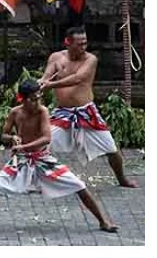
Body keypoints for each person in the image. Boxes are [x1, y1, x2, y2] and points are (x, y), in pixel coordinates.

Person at [0, 79, 118, 234]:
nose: (37, 103)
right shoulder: (15, 112)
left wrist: (22, 146)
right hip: (21, 161)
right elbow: (3, 135)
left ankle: (103, 220)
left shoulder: (43, 111)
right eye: (33, 100)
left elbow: (46, 138)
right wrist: (12, 138)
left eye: (39, 98)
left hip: (43, 159)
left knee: (79, 185)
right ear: (23, 99)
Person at [40, 26, 136, 187]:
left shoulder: (90, 59)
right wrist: (41, 83)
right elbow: (46, 76)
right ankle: (38, 181)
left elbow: (78, 78)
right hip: (62, 113)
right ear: (67, 42)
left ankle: (122, 179)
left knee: (111, 149)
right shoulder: (56, 58)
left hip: (86, 112)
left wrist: (50, 85)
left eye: (85, 43)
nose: (84, 47)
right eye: (79, 44)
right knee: (41, 144)